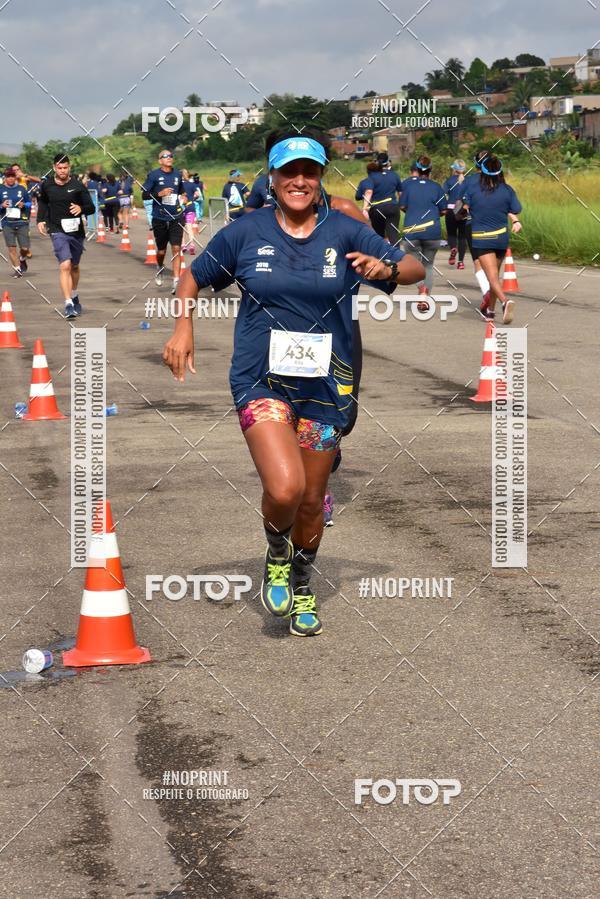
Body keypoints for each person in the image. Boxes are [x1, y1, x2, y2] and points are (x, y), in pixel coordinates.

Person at [162, 128, 424, 637]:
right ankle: (276, 553)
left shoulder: (345, 228)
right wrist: (183, 323)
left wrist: (386, 265)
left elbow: (415, 267)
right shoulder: (247, 230)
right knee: (285, 488)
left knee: (311, 501)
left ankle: (302, 582)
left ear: (321, 176)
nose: (299, 181)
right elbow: (193, 275)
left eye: (309, 171)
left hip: (327, 385)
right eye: (289, 172)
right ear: (273, 177)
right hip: (260, 380)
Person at [461, 154, 522, 324]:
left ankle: (505, 301)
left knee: (492, 278)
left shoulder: (473, 190)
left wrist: (461, 213)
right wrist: (515, 221)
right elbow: (514, 209)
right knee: (495, 275)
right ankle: (490, 311)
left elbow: (462, 210)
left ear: (483, 172)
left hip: (482, 239)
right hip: (501, 238)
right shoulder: (508, 190)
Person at [36, 153, 95, 318]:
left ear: (69, 168)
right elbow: (43, 202)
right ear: (54, 168)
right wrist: (40, 220)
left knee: (74, 266)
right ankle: (68, 303)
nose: (62, 171)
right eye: (59, 168)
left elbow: (91, 207)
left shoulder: (78, 185)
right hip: (57, 230)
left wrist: (81, 209)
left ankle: (74, 294)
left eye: (65, 168)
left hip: (76, 232)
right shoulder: (47, 185)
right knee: (65, 265)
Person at [398, 156, 447, 310]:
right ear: (430, 170)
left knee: (414, 265)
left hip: (412, 231)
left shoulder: (408, 186)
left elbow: (402, 206)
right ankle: (424, 296)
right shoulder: (437, 187)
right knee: (428, 265)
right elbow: (444, 209)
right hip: (432, 231)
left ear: (417, 169)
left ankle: (421, 292)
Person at [142, 149, 186, 293]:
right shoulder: (153, 175)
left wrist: (185, 197)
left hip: (176, 216)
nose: (169, 158)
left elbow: (182, 191)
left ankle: (176, 281)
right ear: (160, 160)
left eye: (170, 156)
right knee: (161, 251)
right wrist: (159, 194)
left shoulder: (178, 174)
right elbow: (144, 195)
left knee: (176, 248)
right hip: (159, 217)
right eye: (165, 156)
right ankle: (159, 267)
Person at [361, 159, 403, 243]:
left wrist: (365, 208)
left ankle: (381, 254)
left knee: (378, 234)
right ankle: (396, 254)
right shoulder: (394, 175)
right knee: (393, 234)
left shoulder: (372, 177)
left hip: (377, 208)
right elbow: (400, 193)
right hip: (392, 207)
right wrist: (401, 205)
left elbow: (369, 191)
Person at [0, 168, 31, 277]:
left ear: (15, 177)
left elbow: (29, 203)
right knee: (11, 247)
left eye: (12, 176)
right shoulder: (1, 189)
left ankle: (22, 259)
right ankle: (17, 270)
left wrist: (24, 205)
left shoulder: (22, 189)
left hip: (22, 222)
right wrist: (2, 206)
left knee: (25, 248)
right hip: (7, 223)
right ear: (5, 177)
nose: (11, 178)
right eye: (8, 176)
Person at [443, 160, 467, 269]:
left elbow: (443, 195)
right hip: (463, 210)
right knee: (462, 237)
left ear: (454, 169)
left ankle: (453, 247)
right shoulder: (468, 181)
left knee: (452, 234)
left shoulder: (449, 181)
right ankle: (461, 262)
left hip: (451, 210)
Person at [180, 168, 199, 254]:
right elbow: (197, 194)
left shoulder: (178, 185)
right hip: (190, 207)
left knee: (181, 228)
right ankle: (191, 244)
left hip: (180, 208)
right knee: (189, 227)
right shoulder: (192, 184)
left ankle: (183, 245)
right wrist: (193, 199)